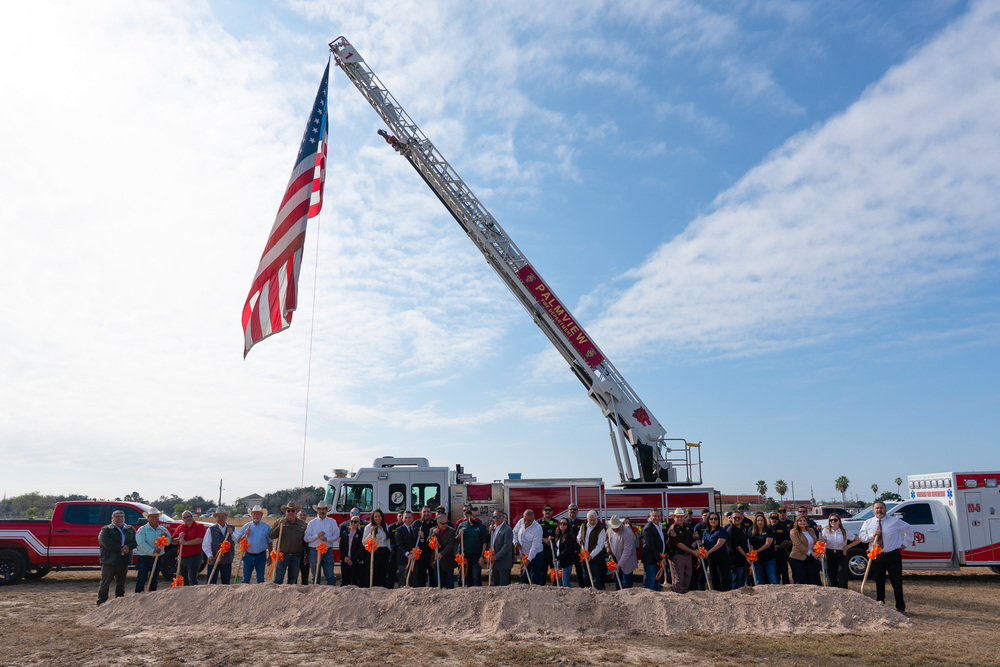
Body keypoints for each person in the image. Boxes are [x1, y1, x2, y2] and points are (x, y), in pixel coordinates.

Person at [859, 501, 912, 613]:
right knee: (879, 580)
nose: (879, 510)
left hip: (892, 554)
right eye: (877, 508)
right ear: (873, 510)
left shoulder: (895, 521)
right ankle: (880, 604)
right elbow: (862, 538)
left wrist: (905, 543)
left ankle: (900, 607)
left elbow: (909, 529)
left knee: (896, 581)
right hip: (877, 555)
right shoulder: (868, 523)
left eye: (881, 508)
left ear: (886, 509)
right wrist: (872, 535)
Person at [97, 509, 138, 605]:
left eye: (121, 516)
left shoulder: (130, 529)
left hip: (124, 560)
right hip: (109, 560)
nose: (119, 518)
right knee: (105, 583)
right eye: (117, 517)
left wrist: (129, 547)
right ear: (112, 518)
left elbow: (136, 540)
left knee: (121, 583)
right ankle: (101, 602)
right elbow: (105, 541)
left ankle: (119, 602)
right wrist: (121, 548)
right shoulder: (106, 529)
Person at [269, 501, 307, 584]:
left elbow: (305, 540)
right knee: (278, 579)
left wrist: (306, 554)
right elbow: (271, 535)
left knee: (292, 580)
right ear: (285, 512)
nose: (290, 513)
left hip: (296, 556)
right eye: (288, 510)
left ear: (296, 512)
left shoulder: (302, 524)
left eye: (293, 511)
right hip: (282, 555)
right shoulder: (279, 522)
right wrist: (278, 527)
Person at [304, 501, 340, 586]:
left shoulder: (332, 522)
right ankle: (315, 591)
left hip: (327, 551)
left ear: (327, 510)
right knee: (315, 576)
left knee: (330, 575)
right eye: (320, 509)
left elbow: (336, 535)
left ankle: (331, 591)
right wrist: (317, 536)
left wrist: (326, 539)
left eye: (324, 509)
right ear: (317, 511)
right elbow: (306, 538)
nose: (322, 511)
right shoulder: (312, 523)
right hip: (314, 552)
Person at [134, 508, 170, 593]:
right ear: (148, 518)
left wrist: (165, 537)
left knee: (154, 578)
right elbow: (140, 543)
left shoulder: (163, 529)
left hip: (158, 558)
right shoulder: (142, 529)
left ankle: (152, 595)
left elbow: (168, 543)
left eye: (156, 516)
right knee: (142, 578)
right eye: (152, 516)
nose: (154, 518)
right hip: (144, 558)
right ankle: (138, 595)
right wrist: (152, 550)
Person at [236, 505, 272, 584]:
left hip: (261, 556)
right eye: (254, 514)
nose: (256, 516)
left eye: (258, 514)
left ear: (261, 515)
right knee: (246, 579)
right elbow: (238, 540)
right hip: (248, 556)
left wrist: (270, 556)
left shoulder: (266, 527)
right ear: (251, 515)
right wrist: (245, 534)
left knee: (260, 579)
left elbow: (270, 542)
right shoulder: (246, 526)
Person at [822, 514, 860, 589]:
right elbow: (823, 541)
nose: (833, 522)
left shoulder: (844, 532)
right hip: (829, 554)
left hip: (841, 554)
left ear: (839, 521)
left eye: (835, 520)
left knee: (842, 574)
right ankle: (833, 592)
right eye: (831, 520)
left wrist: (848, 547)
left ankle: (843, 592)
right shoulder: (825, 531)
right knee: (831, 576)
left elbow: (857, 540)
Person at [667, 507, 698, 594]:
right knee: (678, 579)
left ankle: (684, 595)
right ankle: (677, 596)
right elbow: (679, 544)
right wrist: (692, 552)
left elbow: (691, 539)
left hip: (688, 555)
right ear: (674, 518)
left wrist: (695, 540)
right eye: (677, 517)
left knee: (687, 577)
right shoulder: (673, 529)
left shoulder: (686, 526)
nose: (680, 518)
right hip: (677, 556)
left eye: (681, 516)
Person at [456, 506, 489, 587]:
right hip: (465, 557)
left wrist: (482, 556)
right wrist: (459, 535)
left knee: (476, 578)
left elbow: (485, 543)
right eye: (474, 516)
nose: (476, 517)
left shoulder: (481, 527)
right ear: (469, 516)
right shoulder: (462, 525)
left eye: (477, 515)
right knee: (466, 579)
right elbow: (457, 541)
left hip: (476, 557)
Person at [172, 510, 206, 586]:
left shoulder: (199, 526)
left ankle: (194, 593)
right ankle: (186, 593)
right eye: (186, 517)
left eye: (190, 516)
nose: (188, 518)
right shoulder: (179, 528)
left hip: (194, 557)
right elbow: (173, 541)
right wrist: (178, 538)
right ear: (183, 519)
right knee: (184, 579)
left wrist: (185, 542)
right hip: (182, 557)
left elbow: (200, 540)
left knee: (192, 578)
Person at [203, 508, 236, 585]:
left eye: (222, 516)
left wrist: (232, 533)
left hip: (227, 560)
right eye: (218, 517)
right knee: (211, 583)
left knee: (226, 583)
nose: (220, 518)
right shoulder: (211, 530)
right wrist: (209, 555)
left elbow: (238, 540)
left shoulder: (232, 528)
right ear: (216, 518)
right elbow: (206, 544)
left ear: (226, 517)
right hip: (214, 559)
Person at [513, 509, 545, 585]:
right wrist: (516, 542)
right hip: (523, 554)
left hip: (535, 555)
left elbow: (535, 547)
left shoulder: (538, 528)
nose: (526, 522)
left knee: (535, 578)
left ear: (533, 519)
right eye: (525, 519)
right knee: (524, 576)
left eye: (529, 520)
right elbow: (514, 532)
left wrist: (529, 559)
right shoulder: (520, 522)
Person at [789, 514, 822, 585]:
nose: (802, 522)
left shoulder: (811, 530)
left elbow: (815, 541)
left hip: (811, 557)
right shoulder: (793, 532)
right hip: (798, 558)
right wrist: (811, 552)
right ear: (797, 522)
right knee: (802, 579)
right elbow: (798, 545)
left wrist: (818, 552)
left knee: (812, 578)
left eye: (804, 520)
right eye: (800, 521)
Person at [578, 510, 607, 590]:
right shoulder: (583, 526)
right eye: (590, 520)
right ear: (587, 519)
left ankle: (598, 594)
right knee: (586, 578)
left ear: (597, 519)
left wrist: (591, 555)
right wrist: (579, 540)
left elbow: (600, 546)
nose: (592, 522)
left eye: (594, 520)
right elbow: (579, 536)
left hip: (596, 559)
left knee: (596, 579)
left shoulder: (601, 529)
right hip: (584, 557)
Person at [701, 512, 731, 591]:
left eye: (715, 519)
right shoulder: (706, 531)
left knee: (723, 576)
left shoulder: (722, 530)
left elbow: (719, 544)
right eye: (711, 519)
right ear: (708, 520)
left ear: (718, 520)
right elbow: (703, 543)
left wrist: (708, 552)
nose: (713, 520)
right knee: (713, 576)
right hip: (711, 557)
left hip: (721, 556)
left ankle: (725, 592)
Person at [606, 515, 636, 589]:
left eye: (617, 527)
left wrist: (619, 565)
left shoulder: (627, 533)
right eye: (614, 528)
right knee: (618, 581)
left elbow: (627, 551)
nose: (615, 529)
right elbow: (606, 539)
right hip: (616, 558)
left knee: (626, 583)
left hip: (627, 560)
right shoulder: (609, 530)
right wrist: (607, 547)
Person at [364, 509, 392, 588]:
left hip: (384, 551)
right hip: (374, 551)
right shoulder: (369, 527)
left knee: (383, 572)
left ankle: (382, 588)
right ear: (373, 517)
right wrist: (371, 533)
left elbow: (387, 540)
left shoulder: (385, 526)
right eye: (375, 516)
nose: (377, 518)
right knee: (374, 572)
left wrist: (389, 550)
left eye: (379, 516)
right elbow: (364, 542)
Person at [748, 511, 777, 585]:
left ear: (765, 521)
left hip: (769, 559)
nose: (760, 522)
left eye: (762, 520)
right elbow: (748, 542)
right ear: (755, 522)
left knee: (772, 579)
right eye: (758, 520)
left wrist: (756, 551)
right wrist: (750, 548)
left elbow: (767, 544)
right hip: (757, 560)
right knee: (759, 580)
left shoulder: (769, 530)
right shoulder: (751, 530)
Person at [641, 509, 667, 591]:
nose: (657, 518)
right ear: (650, 517)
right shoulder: (648, 528)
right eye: (655, 516)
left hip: (658, 559)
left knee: (657, 581)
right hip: (650, 560)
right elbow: (651, 546)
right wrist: (660, 558)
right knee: (650, 581)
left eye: (659, 516)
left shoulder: (660, 526)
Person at [339, 513, 367, 587]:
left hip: (355, 561)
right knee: (345, 581)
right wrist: (344, 557)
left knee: (355, 581)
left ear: (358, 523)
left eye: (355, 522)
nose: (353, 523)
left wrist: (353, 559)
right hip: (345, 561)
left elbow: (361, 548)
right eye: (351, 521)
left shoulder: (361, 534)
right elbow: (341, 547)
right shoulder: (345, 533)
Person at [430, 513, 457, 588]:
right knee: (439, 585)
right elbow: (428, 543)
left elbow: (450, 546)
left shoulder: (451, 531)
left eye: (446, 523)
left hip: (447, 562)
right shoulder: (432, 530)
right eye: (443, 524)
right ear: (438, 523)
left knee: (449, 584)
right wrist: (433, 535)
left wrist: (441, 554)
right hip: (436, 563)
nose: (445, 525)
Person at [488, 510, 514, 585]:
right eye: (494, 517)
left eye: (498, 517)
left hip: (504, 563)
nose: (496, 519)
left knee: (504, 585)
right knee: (496, 585)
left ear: (503, 517)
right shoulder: (493, 529)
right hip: (495, 563)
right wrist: (489, 532)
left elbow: (507, 546)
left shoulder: (507, 529)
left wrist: (496, 556)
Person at [726, 512, 751, 590]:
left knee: (743, 580)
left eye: (739, 518)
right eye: (735, 518)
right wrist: (746, 556)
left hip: (743, 560)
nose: (737, 519)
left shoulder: (743, 528)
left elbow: (744, 542)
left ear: (742, 518)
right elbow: (737, 546)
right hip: (735, 560)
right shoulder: (731, 530)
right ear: (731, 519)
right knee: (737, 580)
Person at [553, 517, 579, 587]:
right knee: (560, 582)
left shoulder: (568, 536)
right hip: (560, 561)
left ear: (567, 525)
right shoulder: (560, 535)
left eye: (564, 524)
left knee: (565, 583)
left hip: (566, 562)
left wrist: (558, 558)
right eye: (560, 523)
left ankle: (568, 594)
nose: (562, 525)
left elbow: (567, 550)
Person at [395, 510, 419, 586]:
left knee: (413, 581)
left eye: (409, 518)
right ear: (403, 519)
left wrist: (421, 538)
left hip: (414, 560)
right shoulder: (399, 530)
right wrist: (408, 554)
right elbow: (399, 545)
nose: (407, 520)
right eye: (405, 518)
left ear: (412, 518)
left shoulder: (416, 529)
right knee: (403, 581)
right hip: (403, 561)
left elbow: (419, 544)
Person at [414, 506, 436, 587]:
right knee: (421, 576)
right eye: (424, 512)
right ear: (421, 514)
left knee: (433, 575)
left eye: (428, 512)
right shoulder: (416, 524)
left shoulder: (435, 523)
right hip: (421, 554)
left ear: (431, 513)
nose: (426, 514)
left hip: (432, 553)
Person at [566, 503, 587, 587]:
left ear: (577, 511)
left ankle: (582, 588)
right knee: (566, 573)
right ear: (568, 511)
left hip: (578, 551)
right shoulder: (564, 522)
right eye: (570, 509)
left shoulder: (582, 523)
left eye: (574, 509)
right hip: (567, 551)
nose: (572, 511)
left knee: (580, 572)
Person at [537, 504, 559, 584]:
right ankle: (542, 586)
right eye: (546, 510)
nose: (547, 512)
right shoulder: (538, 522)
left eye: (549, 510)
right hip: (542, 550)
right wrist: (544, 540)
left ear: (552, 512)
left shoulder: (556, 522)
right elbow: (536, 535)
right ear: (542, 511)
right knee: (542, 571)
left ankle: (555, 586)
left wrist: (553, 539)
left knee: (554, 570)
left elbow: (559, 534)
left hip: (553, 550)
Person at [771, 510, 792, 585]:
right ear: (769, 519)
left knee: (784, 571)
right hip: (771, 553)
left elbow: (786, 540)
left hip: (781, 552)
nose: (774, 520)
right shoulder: (767, 528)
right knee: (775, 572)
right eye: (772, 518)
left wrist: (778, 547)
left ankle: (787, 585)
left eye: (776, 519)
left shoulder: (783, 527)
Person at [296, 509, 311, 585]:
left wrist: (307, 555)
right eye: (301, 515)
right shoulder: (294, 526)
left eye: (304, 515)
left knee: (305, 574)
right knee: (294, 574)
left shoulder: (309, 526)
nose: (302, 516)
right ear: (297, 516)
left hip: (305, 553)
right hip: (295, 553)